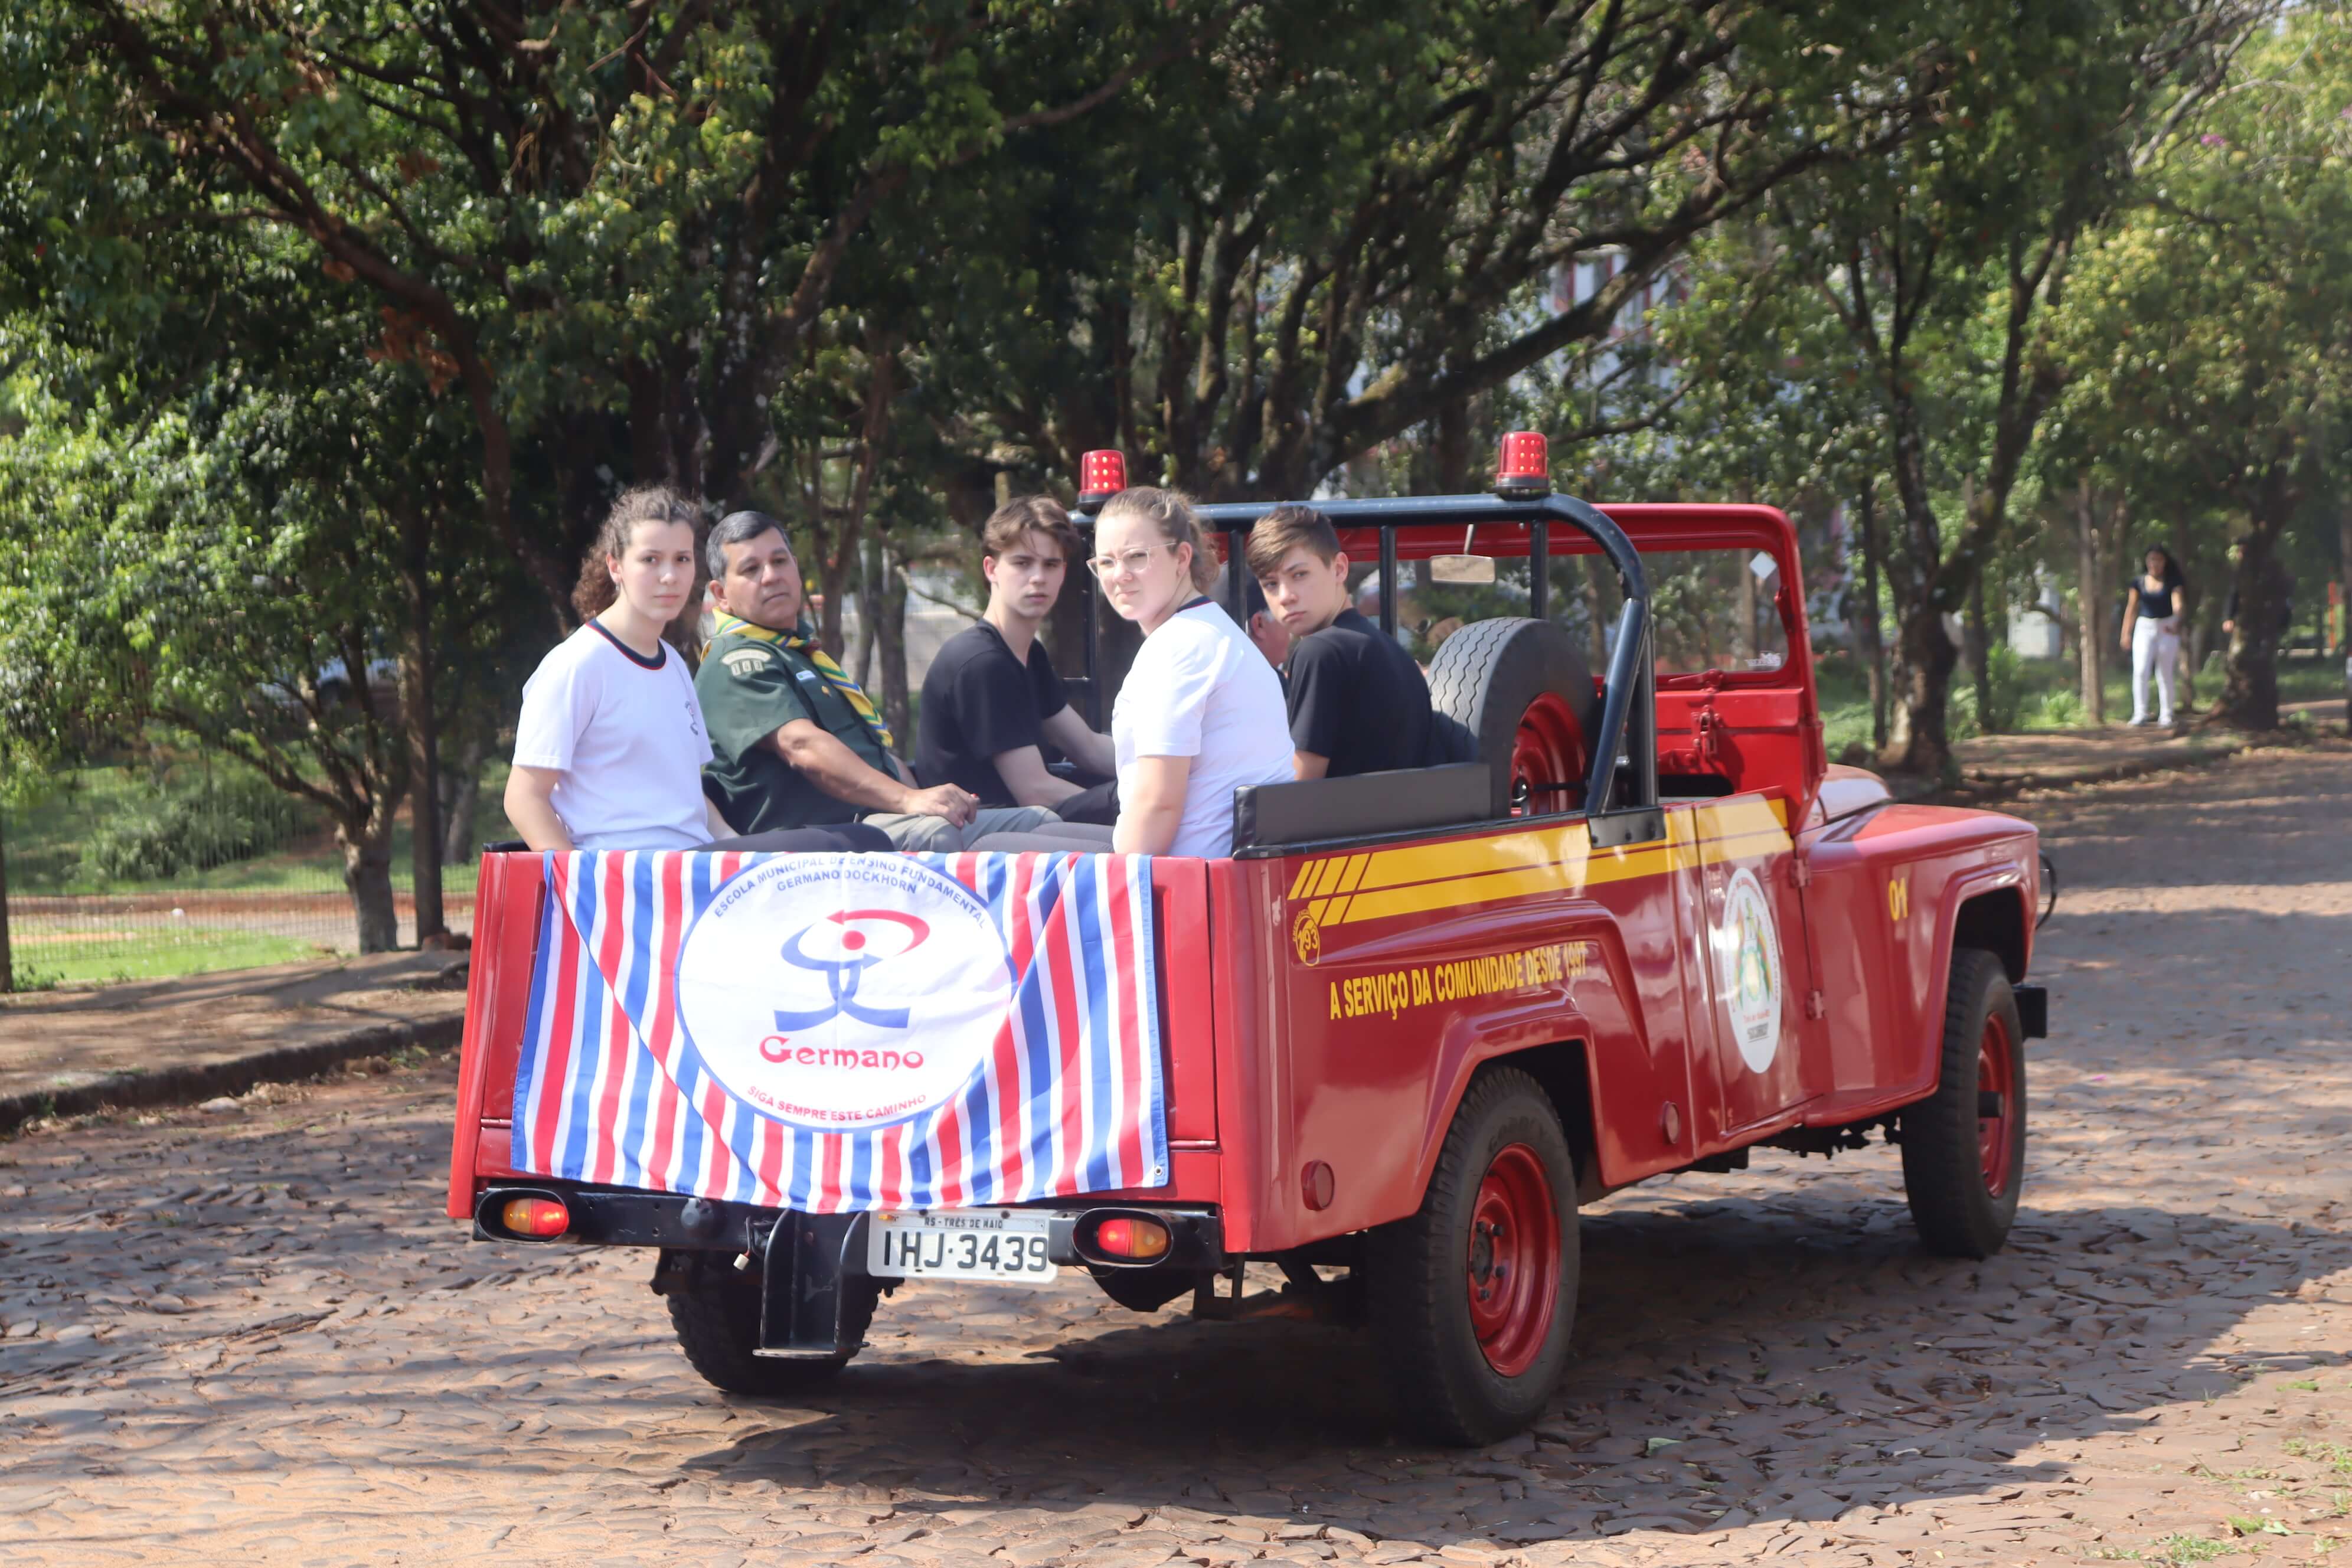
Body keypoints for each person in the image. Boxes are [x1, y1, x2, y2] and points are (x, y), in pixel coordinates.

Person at [505, 486, 886, 855]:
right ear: (615, 566)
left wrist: (738, 856)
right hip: (626, 876)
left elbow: (690, 796)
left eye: (682, 559)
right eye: (650, 560)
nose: (669, 576)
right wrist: (580, 887)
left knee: (863, 842)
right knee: (845, 846)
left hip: (694, 866)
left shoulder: (673, 664)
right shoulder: (577, 664)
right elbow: (524, 798)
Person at [696, 509, 1106, 852]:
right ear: (721, 594)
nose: (771, 576)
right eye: (751, 569)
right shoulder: (738, 659)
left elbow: (877, 752)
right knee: (950, 837)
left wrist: (921, 797)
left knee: (1042, 821)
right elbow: (803, 746)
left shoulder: (799, 652)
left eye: (780, 560)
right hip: (818, 840)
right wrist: (910, 800)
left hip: (873, 822)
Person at [1092, 487, 1292, 857]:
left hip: (1190, 873)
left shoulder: (1178, 646)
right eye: (1105, 562)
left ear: (1182, 557)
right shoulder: (1212, 630)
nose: (1119, 575)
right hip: (1224, 861)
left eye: (1136, 557)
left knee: (991, 847)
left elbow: (1158, 805)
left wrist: (1116, 886)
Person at [916, 498, 1121, 827]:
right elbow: (1034, 790)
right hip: (971, 840)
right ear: (991, 569)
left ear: (1063, 573)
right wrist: (1135, 804)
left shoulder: (1029, 654)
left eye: (1051, 565)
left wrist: (1168, 766)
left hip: (1015, 827)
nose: (1038, 577)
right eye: (1023, 563)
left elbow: (1088, 748)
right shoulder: (982, 662)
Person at [1247, 504, 1435, 778]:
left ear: (1339, 569)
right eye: (1271, 584)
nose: (1285, 596)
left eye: (1299, 575)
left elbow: (1298, 787)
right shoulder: (1395, 652)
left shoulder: (1319, 651)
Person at [2121, 546, 2186, 727]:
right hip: (2144, 627)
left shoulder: (2173, 581)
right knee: (2141, 670)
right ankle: (2140, 713)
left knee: (2165, 672)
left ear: (2165, 562)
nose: (2154, 563)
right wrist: (2126, 633)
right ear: (2146, 561)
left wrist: (2176, 622)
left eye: (2158, 559)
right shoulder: (2138, 582)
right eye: (2151, 559)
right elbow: (2131, 608)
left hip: (2166, 627)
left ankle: (2167, 714)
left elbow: (2178, 605)